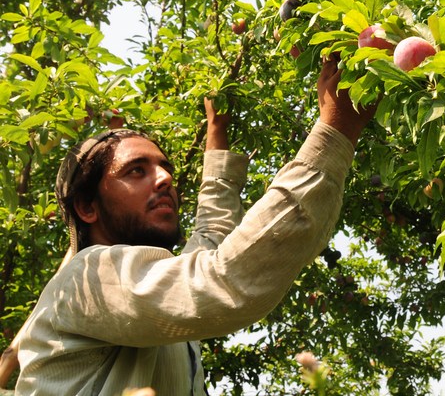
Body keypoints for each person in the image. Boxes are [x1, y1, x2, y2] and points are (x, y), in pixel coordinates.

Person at [7, 55, 375, 395]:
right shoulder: (85, 280)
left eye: (164, 167)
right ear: (88, 207)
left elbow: (212, 237)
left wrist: (216, 129)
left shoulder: (152, 297)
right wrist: (335, 130)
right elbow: (225, 279)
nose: (165, 178)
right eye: (136, 171)